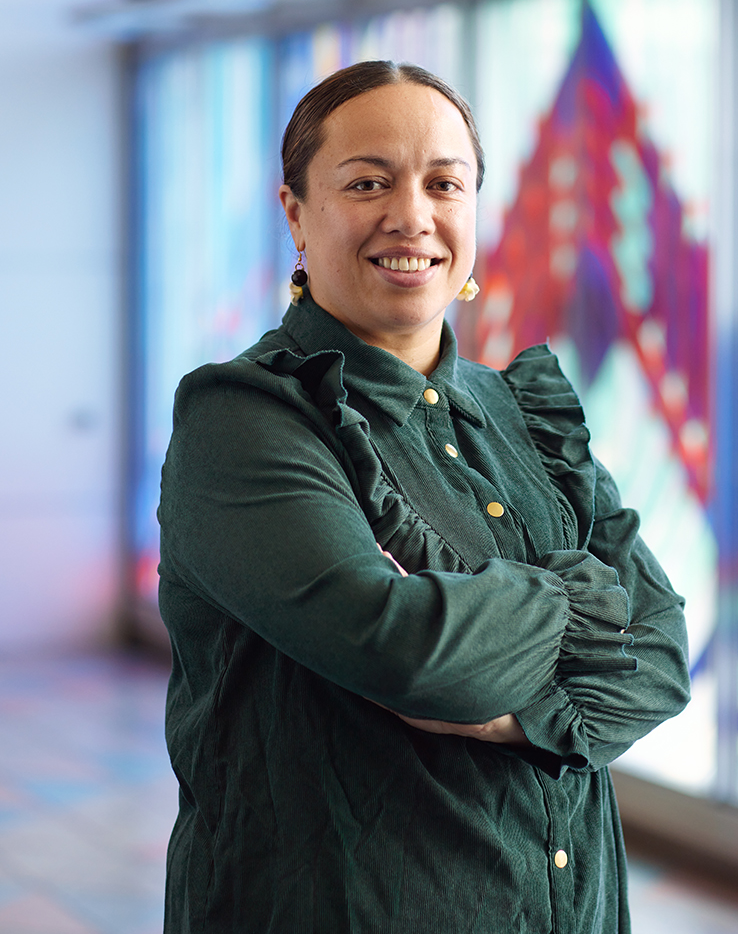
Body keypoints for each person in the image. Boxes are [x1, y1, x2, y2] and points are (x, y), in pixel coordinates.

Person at [158, 60, 690, 933]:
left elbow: (663, 653)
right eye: (368, 182)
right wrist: (583, 601)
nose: (412, 215)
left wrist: (519, 709)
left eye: (446, 182)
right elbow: (406, 651)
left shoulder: (525, 412)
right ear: (294, 211)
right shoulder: (247, 418)